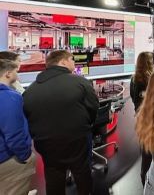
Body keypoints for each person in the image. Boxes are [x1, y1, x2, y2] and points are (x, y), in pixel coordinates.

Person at [23, 50, 99, 195]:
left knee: (53, 180)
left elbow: (29, 118)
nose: (74, 63)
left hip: (46, 145)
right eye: (72, 59)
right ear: (63, 62)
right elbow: (93, 108)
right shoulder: (80, 82)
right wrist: (86, 126)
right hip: (78, 141)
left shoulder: (30, 91)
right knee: (83, 176)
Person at [0, 59, 36, 194]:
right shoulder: (9, 97)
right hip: (8, 159)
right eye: (16, 71)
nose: (18, 74)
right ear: (8, 74)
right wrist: (26, 156)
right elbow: (14, 135)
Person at [130, 51, 154, 186]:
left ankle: (144, 182)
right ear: (148, 62)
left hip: (140, 116)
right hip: (150, 117)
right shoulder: (151, 78)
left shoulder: (134, 78)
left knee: (145, 151)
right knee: (149, 152)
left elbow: (134, 99)